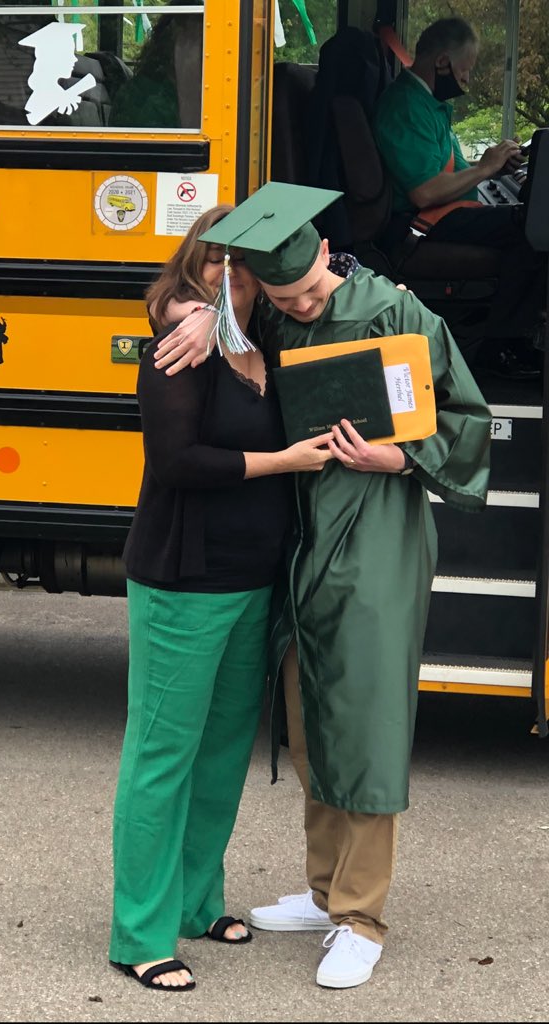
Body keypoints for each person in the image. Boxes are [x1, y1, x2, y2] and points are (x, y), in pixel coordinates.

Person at [152, 181, 492, 990]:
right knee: (310, 723)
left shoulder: (395, 311)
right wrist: (202, 312)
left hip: (375, 534)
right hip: (299, 539)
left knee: (365, 722)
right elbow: (201, 316)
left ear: (329, 262)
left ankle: (361, 918)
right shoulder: (266, 313)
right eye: (282, 297)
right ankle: (322, 889)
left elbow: (467, 421)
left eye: (309, 291)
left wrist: (400, 458)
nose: (300, 307)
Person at [109, 203, 335, 992]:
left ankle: (197, 900)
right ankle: (138, 933)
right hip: (184, 578)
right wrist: (284, 461)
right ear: (196, 264)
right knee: (161, 756)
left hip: (252, 580)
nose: (230, 278)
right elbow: (176, 462)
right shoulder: (179, 347)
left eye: (245, 267)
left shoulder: (261, 341)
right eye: (216, 264)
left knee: (221, 754)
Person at [372, 16, 546, 378]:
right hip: (420, 226)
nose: (467, 81)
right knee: (532, 232)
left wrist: (497, 167)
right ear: (442, 63)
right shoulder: (406, 106)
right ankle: (503, 347)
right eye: (466, 71)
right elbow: (424, 192)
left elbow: (453, 171)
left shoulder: (430, 105)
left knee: (526, 220)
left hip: (446, 213)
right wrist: (484, 169)